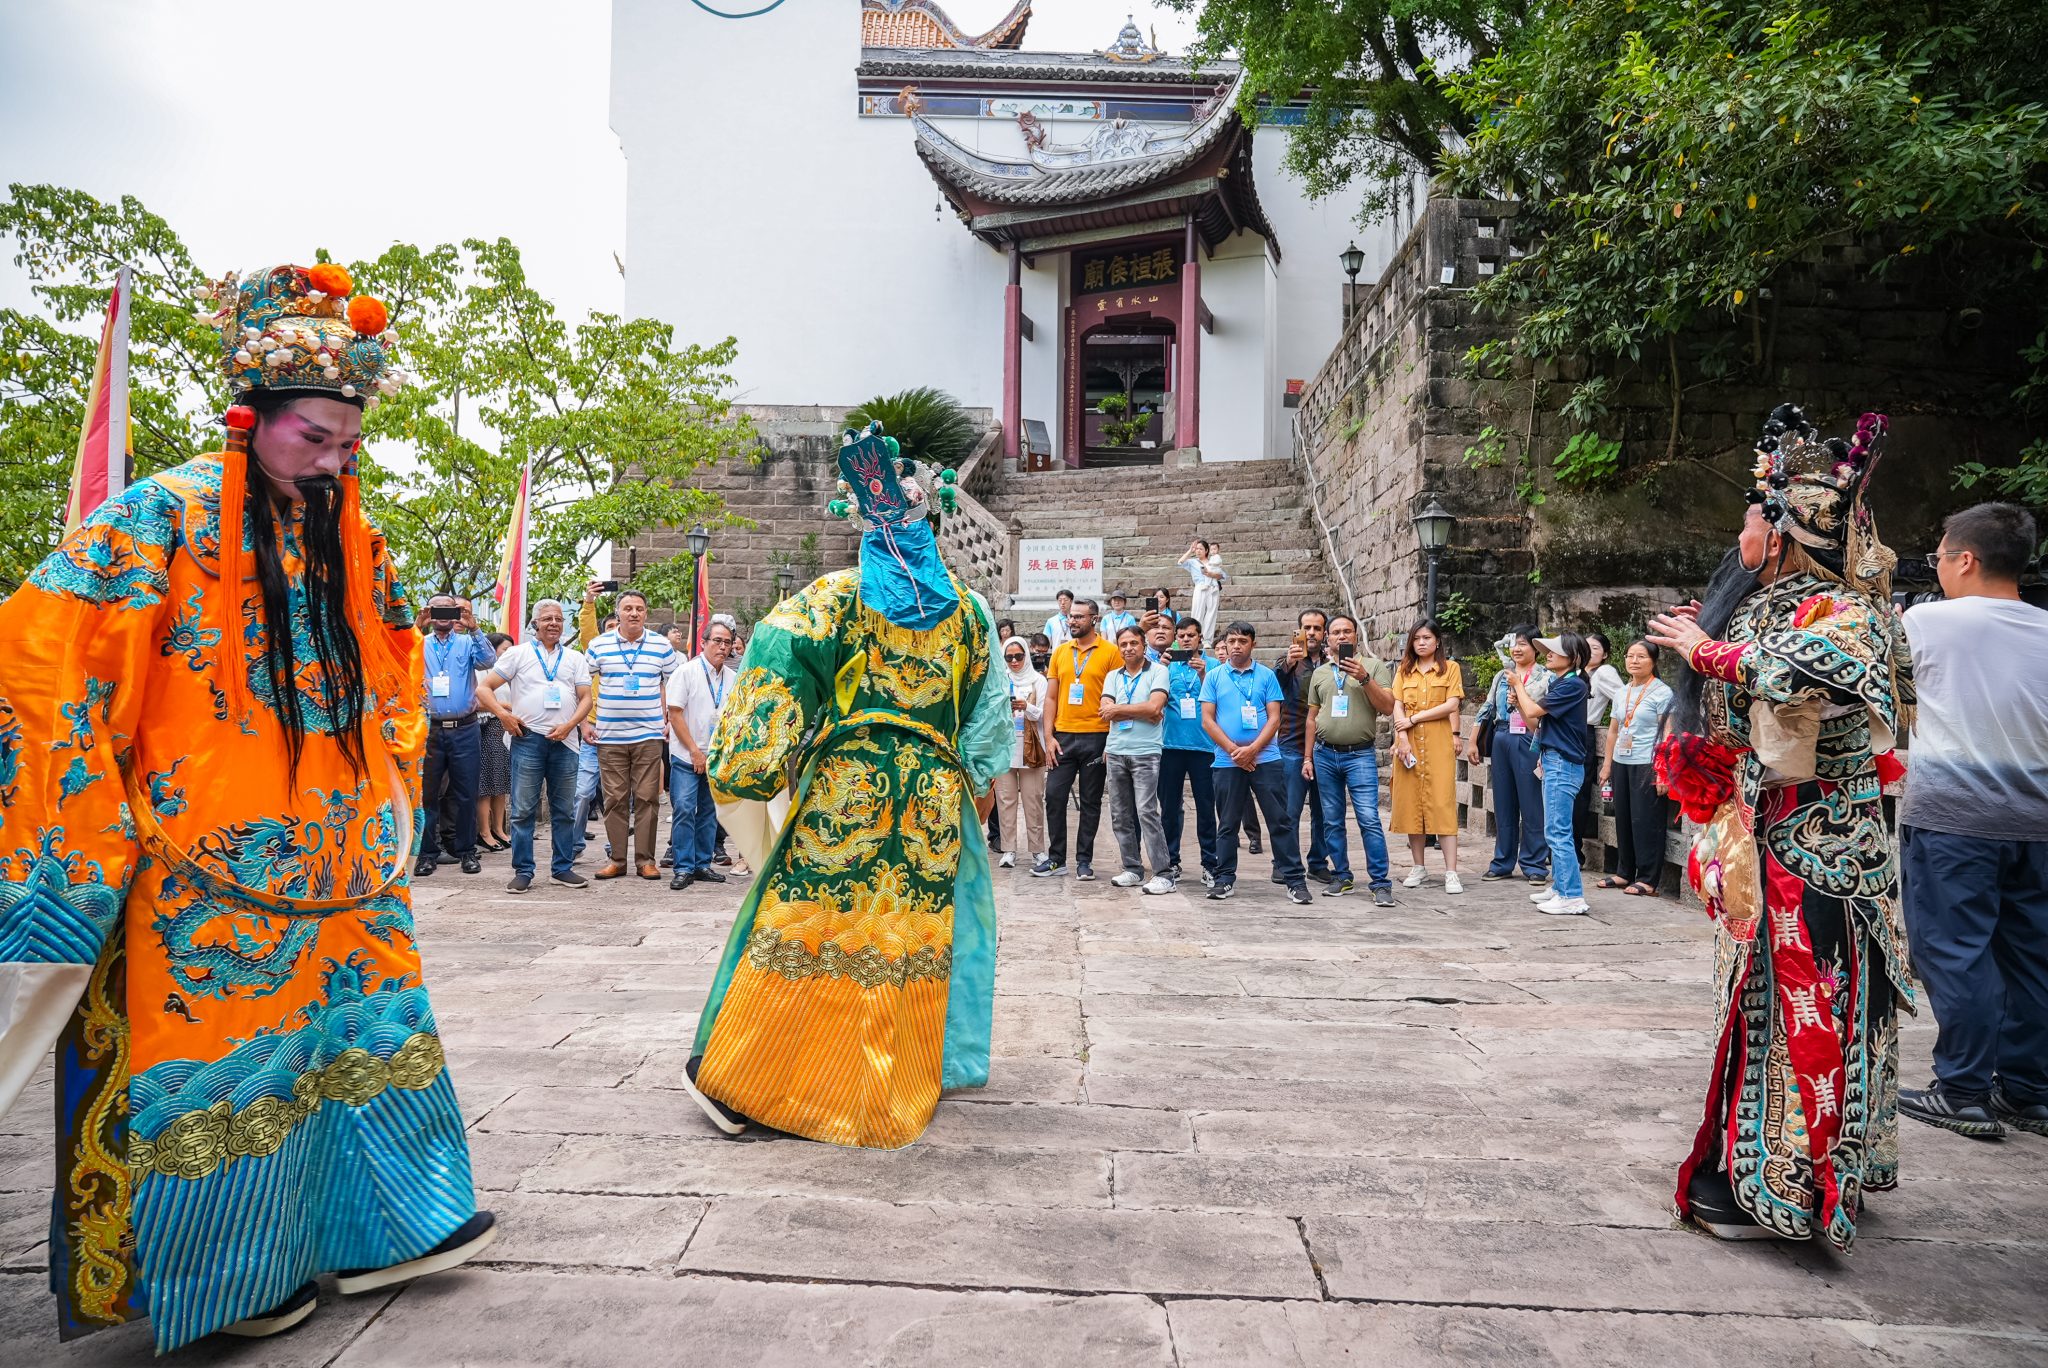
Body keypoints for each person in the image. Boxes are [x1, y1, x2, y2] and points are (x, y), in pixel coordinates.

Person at [0, 262, 494, 1350]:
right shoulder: (155, 520)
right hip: (202, 868)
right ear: (249, 416)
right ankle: (235, 1276)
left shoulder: (350, 534)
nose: (331, 462)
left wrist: (385, 787)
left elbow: (395, 668)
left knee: (367, 1030)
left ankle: (387, 1228)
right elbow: (41, 662)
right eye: (313, 438)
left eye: (348, 446)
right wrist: (93, 828)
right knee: (230, 1060)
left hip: (338, 861)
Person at [681, 423, 1009, 1148]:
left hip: (846, 788)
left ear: (860, 522)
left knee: (812, 923)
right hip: (930, 800)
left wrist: (749, 767)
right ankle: (887, 1073)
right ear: (933, 518)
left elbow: (774, 664)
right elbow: (989, 720)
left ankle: (759, 1077)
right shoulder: (970, 613)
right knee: (901, 931)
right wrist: (971, 781)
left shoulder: (832, 598)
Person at [1647, 404, 1910, 1248]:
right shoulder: (1762, 608)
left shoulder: (1847, 610)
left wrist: (1710, 651)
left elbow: (1824, 672)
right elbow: (1732, 722)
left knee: (1810, 1011)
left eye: (1751, 520)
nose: (1740, 535)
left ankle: (1796, 1185)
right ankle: (1776, 1172)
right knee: (1759, 1008)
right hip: (1765, 839)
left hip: (1823, 850)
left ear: (1788, 531)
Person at [1897, 501, 2048, 1139]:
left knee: (1956, 953)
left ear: (1965, 559)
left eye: (1938, 555)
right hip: (2037, 823)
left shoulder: (1927, 623)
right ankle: (2029, 1091)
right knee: (2032, 958)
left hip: (1954, 819)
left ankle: (1962, 1091)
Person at [478, 599, 594, 892]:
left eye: (558, 619)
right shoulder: (518, 654)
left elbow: (586, 699)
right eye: (547, 619)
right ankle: (523, 871)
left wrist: (570, 725)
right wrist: (503, 715)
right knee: (522, 810)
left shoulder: (575, 658)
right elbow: (483, 688)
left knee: (564, 810)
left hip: (565, 741)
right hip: (527, 738)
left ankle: (562, 868)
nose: (554, 623)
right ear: (535, 624)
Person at [1201, 621, 1308, 904]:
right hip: (1227, 761)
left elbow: (1274, 717)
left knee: (1280, 821)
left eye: (1242, 641)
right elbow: (1207, 720)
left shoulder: (1266, 675)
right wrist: (1235, 751)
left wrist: (1253, 750)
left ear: (1253, 644)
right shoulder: (1214, 676)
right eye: (1232, 641)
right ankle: (1224, 878)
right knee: (1227, 824)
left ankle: (1295, 880)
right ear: (1225, 644)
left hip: (1267, 759)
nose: (1236, 646)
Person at [586, 589, 679, 879]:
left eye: (639, 608)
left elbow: (675, 683)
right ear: (618, 613)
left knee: (647, 798)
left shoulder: (661, 646)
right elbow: (580, 684)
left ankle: (645, 860)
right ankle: (617, 860)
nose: (634, 613)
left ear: (646, 613)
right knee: (614, 799)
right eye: (628, 608)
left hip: (649, 734)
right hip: (609, 735)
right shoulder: (599, 645)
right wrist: (584, 722)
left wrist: (670, 720)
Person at [1305, 613, 1398, 902]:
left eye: (1347, 631)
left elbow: (1387, 707)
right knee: (1332, 820)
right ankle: (1342, 875)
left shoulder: (1373, 666)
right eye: (1336, 632)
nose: (1342, 636)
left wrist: (1364, 678)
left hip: (1359, 755)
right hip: (1324, 754)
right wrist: (1307, 757)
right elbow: (1311, 718)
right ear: (1328, 638)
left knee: (1368, 818)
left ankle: (1380, 883)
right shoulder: (1321, 672)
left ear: (1356, 636)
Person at [1037, 597, 1119, 881]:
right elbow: (1050, 697)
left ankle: (1085, 860)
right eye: (1071, 616)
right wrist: (1048, 737)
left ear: (1093, 619)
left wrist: (1111, 739)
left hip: (1097, 735)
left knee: (1090, 800)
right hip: (1063, 736)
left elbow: (1117, 697)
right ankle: (1056, 858)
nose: (1072, 621)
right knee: (1054, 796)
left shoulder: (1111, 652)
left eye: (1079, 617)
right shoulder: (1061, 652)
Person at [416, 593, 499, 876]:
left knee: (466, 792)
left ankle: (466, 851)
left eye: (448, 610)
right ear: (429, 612)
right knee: (427, 794)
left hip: (464, 728)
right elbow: (399, 657)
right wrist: (417, 625)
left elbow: (488, 660)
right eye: (436, 610)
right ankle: (427, 853)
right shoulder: (420, 642)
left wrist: (474, 627)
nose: (442, 615)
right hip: (430, 729)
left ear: (456, 613)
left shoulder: (466, 642)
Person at [1513, 634, 1592, 916]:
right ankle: (1560, 887)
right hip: (1553, 760)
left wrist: (1518, 686)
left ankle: (1571, 895)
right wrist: (1519, 702)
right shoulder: (1562, 683)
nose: (1547, 654)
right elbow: (1535, 723)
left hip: (1562, 763)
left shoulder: (1572, 685)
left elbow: (1535, 709)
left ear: (1574, 657)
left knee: (1558, 832)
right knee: (1555, 830)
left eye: (1554, 651)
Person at [1466, 627, 1551, 884]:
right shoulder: (1501, 676)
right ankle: (1502, 862)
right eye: (1514, 643)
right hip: (1502, 735)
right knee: (1503, 802)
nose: (1517, 649)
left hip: (1529, 736)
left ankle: (1534, 864)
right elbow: (1488, 707)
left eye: (1523, 643)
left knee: (1532, 803)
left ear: (1536, 647)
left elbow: (1546, 713)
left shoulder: (1546, 676)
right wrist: (1472, 741)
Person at [1390, 619, 1466, 893]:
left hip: (1437, 742)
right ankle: (1418, 866)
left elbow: (1452, 704)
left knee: (1442, 803)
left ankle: (1451, 871)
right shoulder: (1404, 670)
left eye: (1427, 638)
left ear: (1437, 641)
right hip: (1408, 742)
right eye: (1417, 638)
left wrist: (1415, 718)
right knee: (1413, 804)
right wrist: (1402, 738)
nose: (1421, 643)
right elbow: (1397, 705)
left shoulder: (1450, 668)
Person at [665, 618, 739, 891]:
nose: (722, 647)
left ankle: (702, 864)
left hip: (716, 757)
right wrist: (695, 752)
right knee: (685, 809)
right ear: (704, 643)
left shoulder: (732, 678)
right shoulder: (686, 672)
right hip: (687, 755)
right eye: (717, 641)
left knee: (708, 812)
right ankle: (683, 867)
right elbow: (675, 714)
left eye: (727, 642)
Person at [1100, 624, 1175, 892]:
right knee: (1120, 814)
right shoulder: (1113, 676)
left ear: (1144, 645)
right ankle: (1132, 868)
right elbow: (1105, 711)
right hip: (1116, 750)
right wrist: (1141, 711)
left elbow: (1155, 706)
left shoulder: (1159, 671)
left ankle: (1164, 874)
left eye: (1133, 643)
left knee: (1146, 812)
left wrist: (1121, 710)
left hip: (1146, 752)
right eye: (1123, 644)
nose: (1128, 648)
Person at [1600, 640, 1674, 896]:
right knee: (1623, 819)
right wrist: (1607, 765)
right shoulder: (1623, 692)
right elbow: (1613, 731)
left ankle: (1647, 878)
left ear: (1653, 661)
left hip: (1647, 763)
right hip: (1621, 762)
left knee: (1646, 821)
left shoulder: (1662, 692)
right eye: (1630, 656)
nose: (1634, 661)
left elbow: (1667, 734)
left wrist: (1663, 771)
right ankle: (1624, 872)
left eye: (1641, 656)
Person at [1275, 608, 1335, 884]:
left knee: (1323, 811)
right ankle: (1284, 862)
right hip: (1292, 745)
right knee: (1289, 810)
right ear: (1298, 630)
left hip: (1326, 747)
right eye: (1306, 627)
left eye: (1317, 628)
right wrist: (1288, 662)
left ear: (1324, 633)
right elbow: (1275, 684)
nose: (1311, 633)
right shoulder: (1288, 661)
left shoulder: (1332, 662)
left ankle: (1318, 862)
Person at [1159, 616, 1220, 885]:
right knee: (1169, 808)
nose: (1185, 640)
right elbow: (1155, 698)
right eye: (1181, 636)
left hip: (1204, 746)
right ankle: (1171, 861)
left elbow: (1220, 699)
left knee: (1206, 807)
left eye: (1190, 636)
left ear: (1200, 638)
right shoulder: (1166, 666)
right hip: (1170, 745)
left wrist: (1203, 674)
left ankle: (1210, 863)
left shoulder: (1214, 666)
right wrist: (1160, 669)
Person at [992, 636, 1049, 869]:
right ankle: (1008, 849)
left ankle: (1037, 849)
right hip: (1005, 748)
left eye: (1018, 656)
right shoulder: (1000, 679)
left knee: (1033, 801)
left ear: (1026, 655)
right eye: (1009, 657)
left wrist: (1027, 707)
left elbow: (1045, 714)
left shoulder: (1038, 681)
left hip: (1032, 748)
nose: (1014, 661)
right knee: (1005, 801)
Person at [1576, 631, 1624, 863]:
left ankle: (1573, 850)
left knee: (1578, 792)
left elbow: (1624, 700)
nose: (1589, 651)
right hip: (1565, 731)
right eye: (1585, 646)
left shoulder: (1604, 672)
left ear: (1605, 655)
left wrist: (1621, 726)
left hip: (1583, 732)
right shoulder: (1576, 671)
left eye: (1595, 648)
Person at [474, 629, 515, 852]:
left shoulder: (507, 673)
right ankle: (484, 832)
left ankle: (499, 829)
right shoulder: (483, 671)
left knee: (501, 785)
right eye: (505, 650)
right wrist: (503, 707)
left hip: (505, 733)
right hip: (488, 729)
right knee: (487, 785)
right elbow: (477, 702)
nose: (509, 654)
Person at [1180, 539, 1224, 647]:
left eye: (1201, 549)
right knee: (1197, 612)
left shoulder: (1213, 561)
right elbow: (1180, 562)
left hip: (1213, 588)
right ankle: (1194, 636)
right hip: (1200, 587)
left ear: (1206, 550)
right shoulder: (1193, 562)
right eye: (1197, 549)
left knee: (1211, 613)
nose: (1198, 551)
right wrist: (1190, 550)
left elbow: (1222, 576)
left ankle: (1207, 640)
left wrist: (1211, 575)